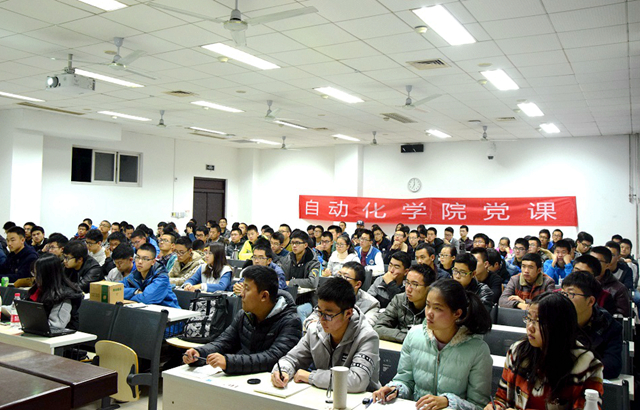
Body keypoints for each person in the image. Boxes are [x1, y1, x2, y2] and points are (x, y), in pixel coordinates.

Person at [373, 279, 493, 410]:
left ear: (457, 313)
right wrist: (395, 388)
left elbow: (479, 406)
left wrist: (449, 401)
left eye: (437, 308)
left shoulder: (477, 350)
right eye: (427, 305)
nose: (429, 313)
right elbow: (405, 380)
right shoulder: (414, 335)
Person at [488, 292, 603, 410]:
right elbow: (502, 398)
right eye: (529, 319)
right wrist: (495, 406)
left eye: (539, 322)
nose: (530, 327)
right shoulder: (517, 352)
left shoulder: (587, 366)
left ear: (559, 326)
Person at [183, 265, 302, 374]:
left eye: (247, 289)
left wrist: (229, 362)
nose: (241, 294)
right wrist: (200, 353)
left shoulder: (290, 322)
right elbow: (224, 342)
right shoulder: (244, 315)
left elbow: (273, 358)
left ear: (264, 296)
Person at [271, 277, 380, 393]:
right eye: (319, 312)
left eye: (328, 315)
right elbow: (291, 359)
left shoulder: (367, 337)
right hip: (323, 394)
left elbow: (357, 381)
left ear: (348, 313)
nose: (322, 320)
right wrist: (283, 370)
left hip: (360, 399)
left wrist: (311, 376)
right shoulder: (315, 330)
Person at [562, 271, 622, 379]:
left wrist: (574, 369)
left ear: (590, 301)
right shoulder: (555, 318)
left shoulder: (609, 326)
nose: (564, 299)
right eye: (563, 294)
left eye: (571, 294)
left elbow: (612, 366)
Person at [374, 264, 436, 343]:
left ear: (429, 288)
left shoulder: (435, 307)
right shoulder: (399, 299)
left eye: (415, 284)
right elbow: (378, 328)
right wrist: (407, 337)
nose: (408, 289)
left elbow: (434, 338)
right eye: (407, 282)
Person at [27, 254, 83, 330]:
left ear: (47, 275)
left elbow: (56, 325)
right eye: (34, 273)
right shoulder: (36, 290)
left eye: (37, 274)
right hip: (38, 332)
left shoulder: (64, 296)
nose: (35, 277)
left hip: (61, 335)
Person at [121, 243, 180, 308]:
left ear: (153, 262)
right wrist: (136, 292)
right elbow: (116, 290)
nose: (140, 262)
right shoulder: (134, 275)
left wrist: (128, 296)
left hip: (169, 311)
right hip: (146, 311)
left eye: (145, 259)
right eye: (137, 257)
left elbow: (146, 299)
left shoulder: (162, 277)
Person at [588, 246, 631, 317]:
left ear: (607, 265)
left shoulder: (619, 289)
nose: (592, 264)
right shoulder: (580, 282)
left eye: (598, 261)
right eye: (590, 260)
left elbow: (621, 317)